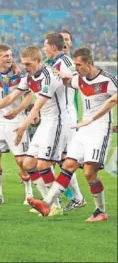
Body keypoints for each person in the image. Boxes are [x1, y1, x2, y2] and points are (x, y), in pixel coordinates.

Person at [28, 47, 117, 222]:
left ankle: (101, 211)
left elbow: (114, 99)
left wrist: (93, 119)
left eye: (78, 65)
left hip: (100, 129)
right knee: (68, 164)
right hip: (83, 128)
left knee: (89, 172)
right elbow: (68, 80)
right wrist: (55, 73)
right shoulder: (79, 79)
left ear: (89, 63)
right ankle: (47, 203)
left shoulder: (108, 80)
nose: (75, 68)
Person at [0, 46, 69, 215]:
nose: (25, 67)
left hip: (57, 122)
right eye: (23, 64)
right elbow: (10, 97)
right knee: (28, 164)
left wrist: (23, 125)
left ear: (38, 61)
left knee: (45, 164)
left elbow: (37, 105)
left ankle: (55, 204)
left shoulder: (49, 76)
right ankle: (47, 203)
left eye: (28, 64)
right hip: (46, 123)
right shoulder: (29, 76)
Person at [0, 44, 33, 205]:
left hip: (16, 121)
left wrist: (18, 110)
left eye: (10, 55)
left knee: (21, 161)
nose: (9, 58)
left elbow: (28, 97)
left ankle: (29, 193)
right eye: (5, 56)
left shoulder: (20, 75)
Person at [43, 32, 86, 211]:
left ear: (53, 47)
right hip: (55, 116)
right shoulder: (51, 63)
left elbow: (76, 77)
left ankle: (53, 203)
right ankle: (75, 197)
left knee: (47, 161)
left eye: (45, 45)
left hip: (65, 118)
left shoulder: (66, 62)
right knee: (62, 160)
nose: (43, 49)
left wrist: (61, 73)